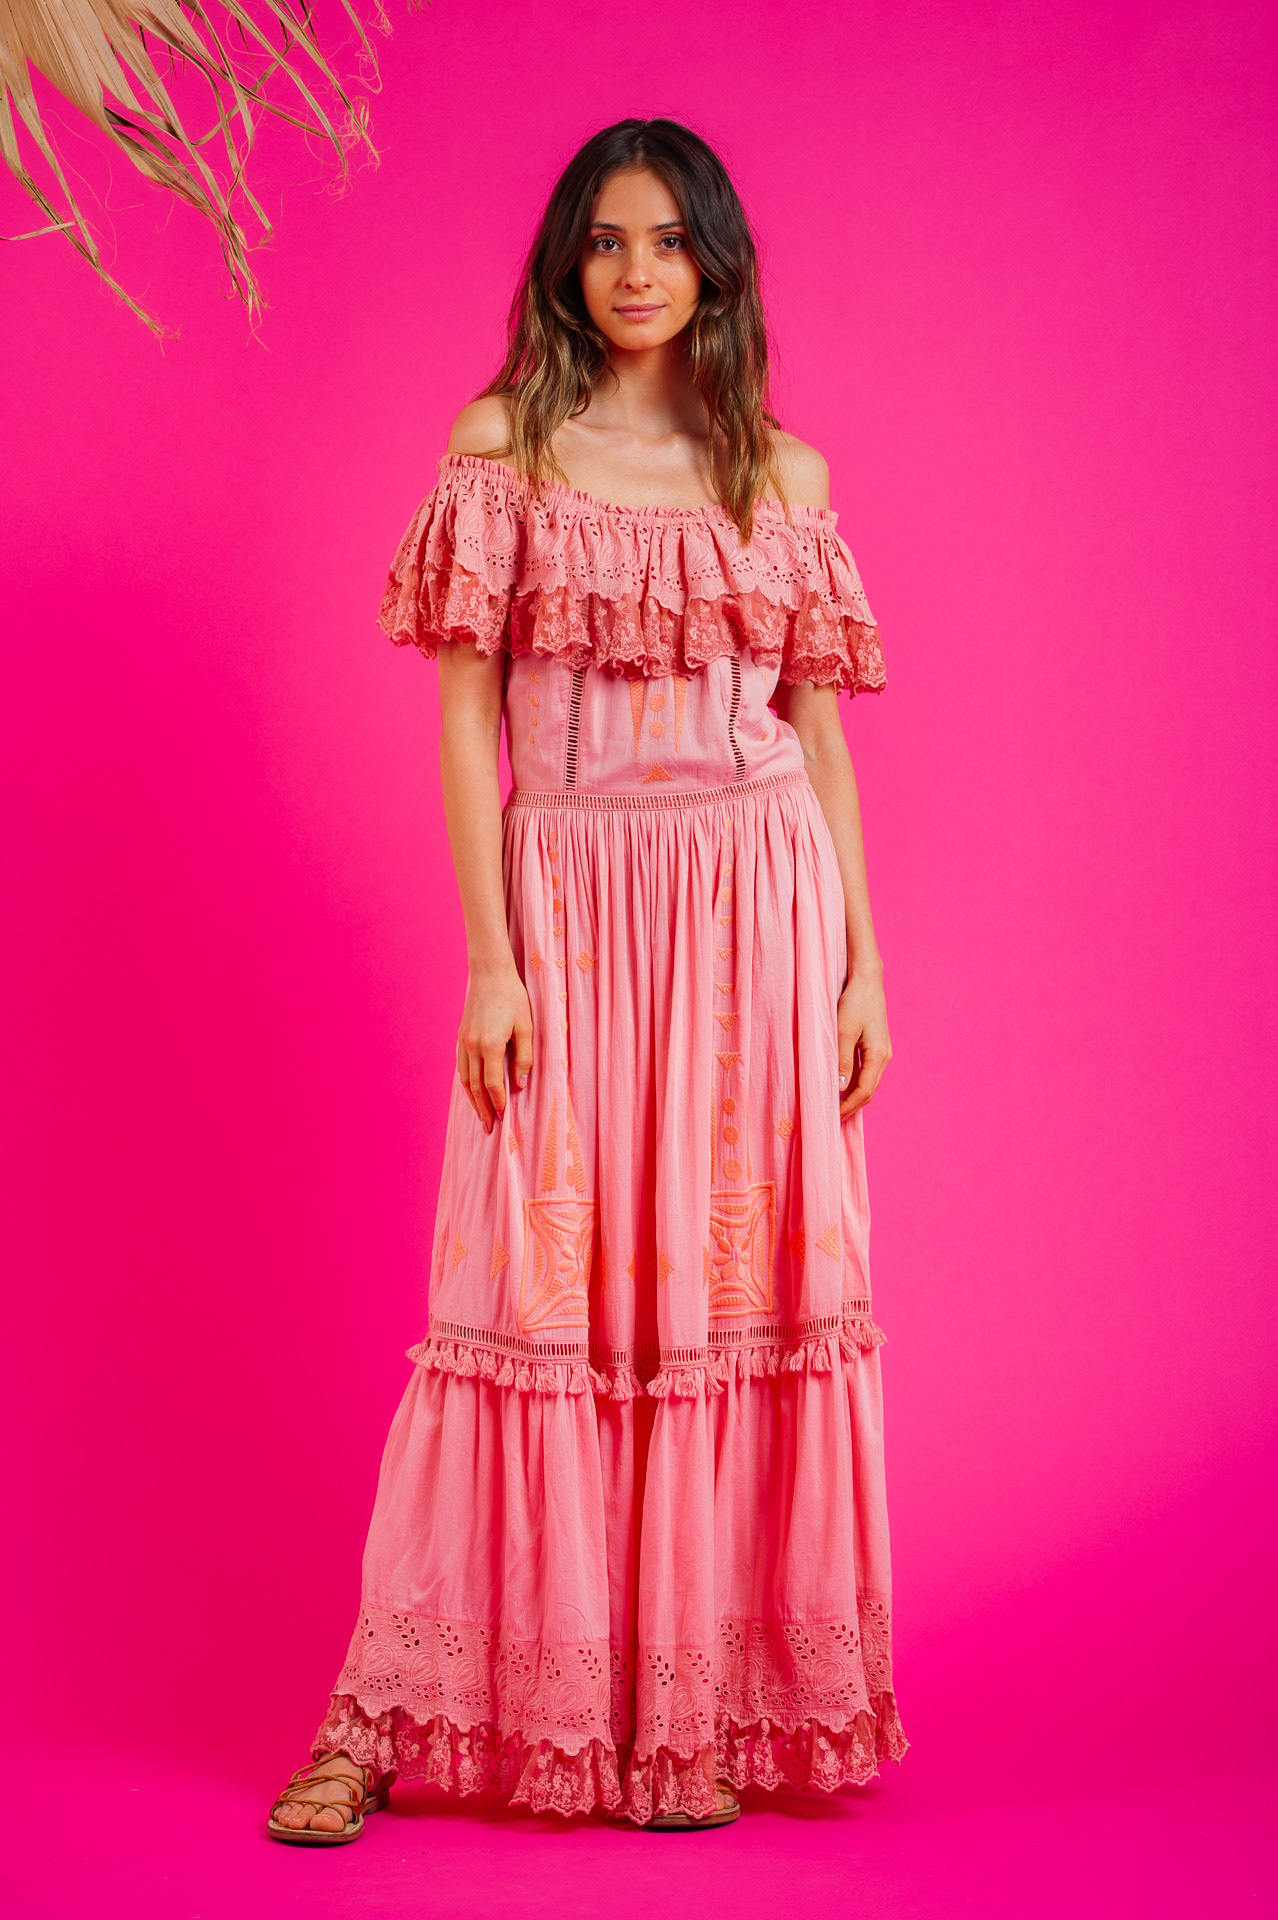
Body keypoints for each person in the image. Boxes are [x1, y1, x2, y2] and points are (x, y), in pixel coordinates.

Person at [268, 116, 906, 1840]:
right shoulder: (503, 450)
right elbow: (465, 730)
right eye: (609, 240)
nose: (637, 272)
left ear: (716, 265)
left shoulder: (783, 478)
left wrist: (864, 964)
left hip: (755, 911)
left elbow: (818, 739)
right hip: (569, 906)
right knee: (523, 1298)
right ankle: (377, 1722)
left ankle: (683, 1722)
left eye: (669, 241)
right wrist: (491, 962)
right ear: (568, 258)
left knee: (727, 1298)